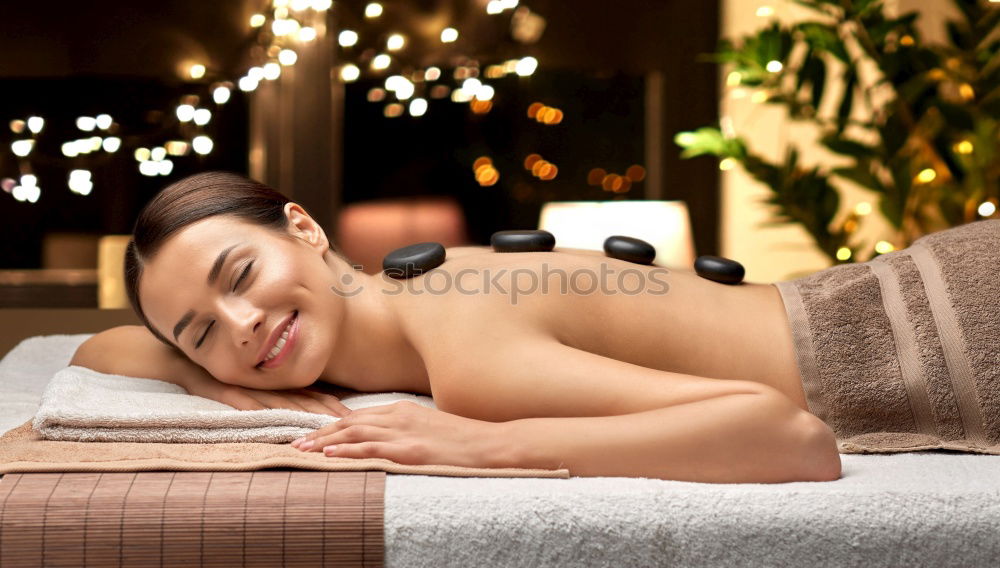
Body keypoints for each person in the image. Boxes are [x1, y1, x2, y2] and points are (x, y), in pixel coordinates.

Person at [70, 171, 842, 484]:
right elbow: (99, 345)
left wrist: (485, 444)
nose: (240, 328)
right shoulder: (405, 289)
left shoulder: (469, 353)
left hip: (921, 328)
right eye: (199, 331)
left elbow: (791, 438)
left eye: (240, 277)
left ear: (304, 228)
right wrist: (200, 370)